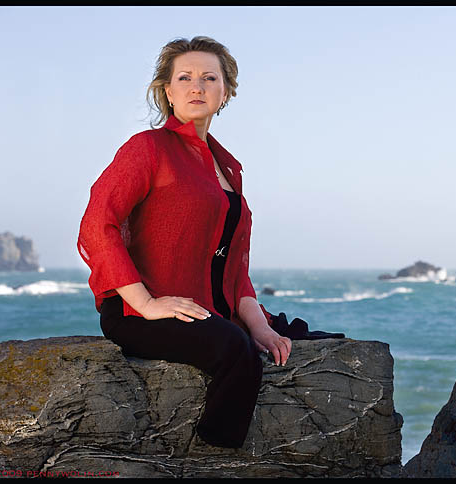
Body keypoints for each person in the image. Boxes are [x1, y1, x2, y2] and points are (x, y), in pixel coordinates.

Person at [77, 36, 292, 449]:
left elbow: (233, 267)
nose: (198, 87)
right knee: (235, 348)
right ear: (168, 91)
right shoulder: (148, 148)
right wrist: (146, 303)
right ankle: (215, 453)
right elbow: (96, 225)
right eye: (185, 78)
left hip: (205, 306)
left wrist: (260, 326)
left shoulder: (227, 168)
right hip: (138, 313)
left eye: (209, 78)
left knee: (293, 335)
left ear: (225, 92)